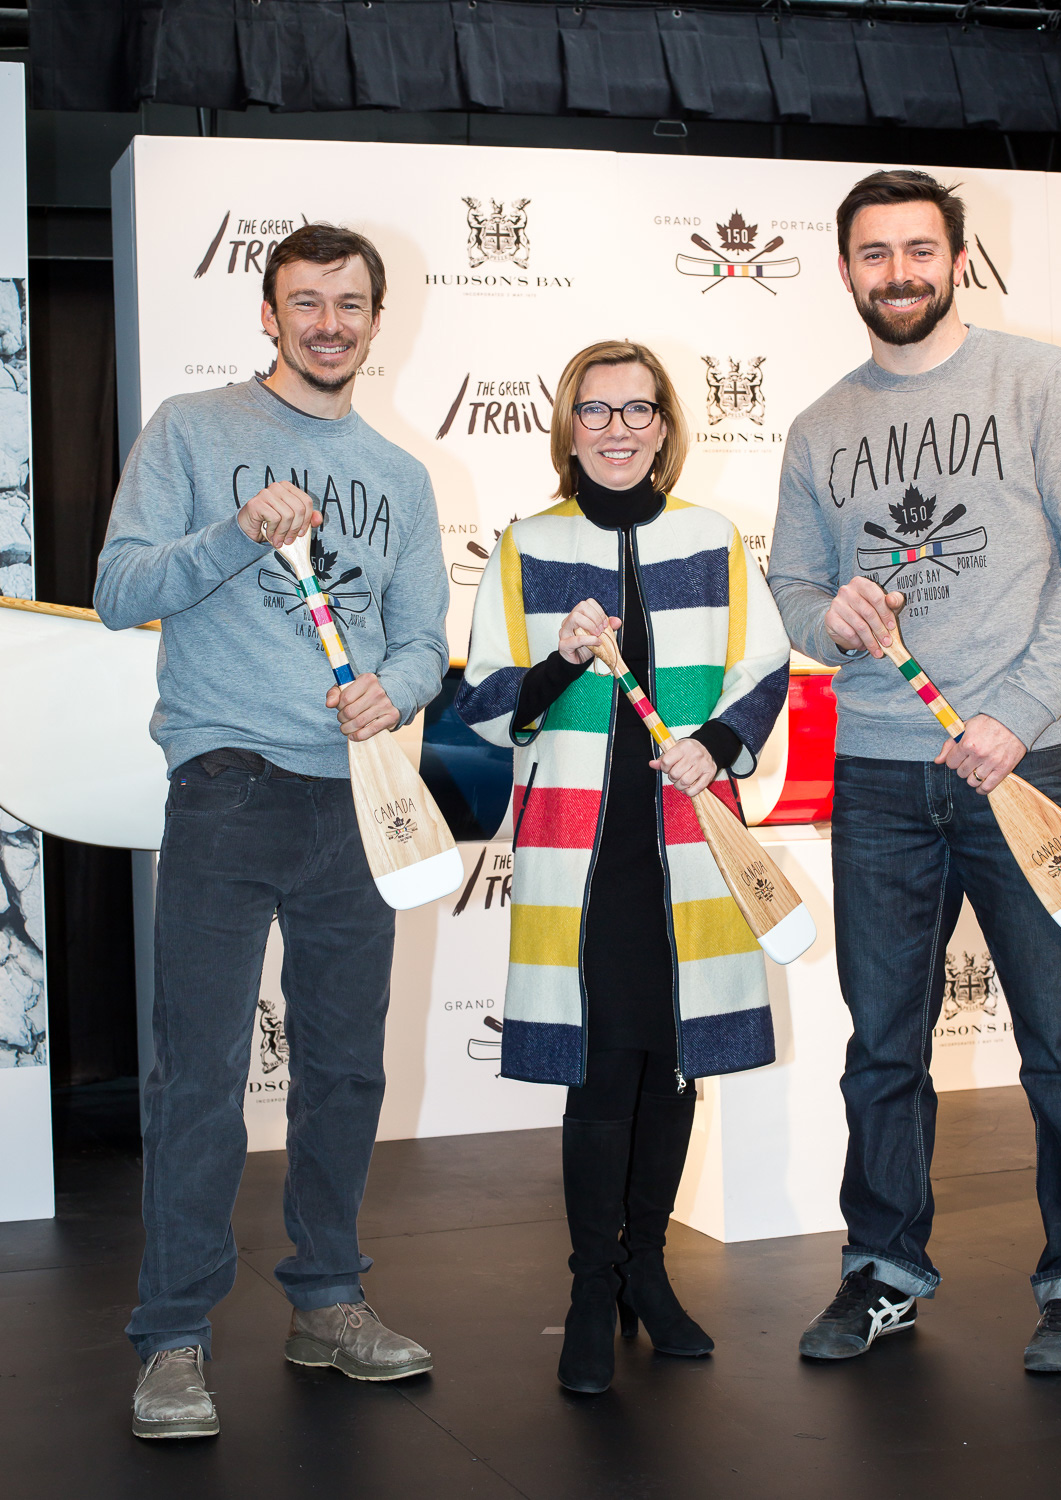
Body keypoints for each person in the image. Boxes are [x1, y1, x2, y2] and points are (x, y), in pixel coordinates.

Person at [768, 170, 1061, 1374]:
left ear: (959, 260)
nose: (899, 273)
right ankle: (882, 1269)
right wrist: (831, 619)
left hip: (1022, 769)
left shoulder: (1038, 381)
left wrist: (1016, 717)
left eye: (919, 250)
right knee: (883, 1047)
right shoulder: (819, 426)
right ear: (846, 270)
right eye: (875, 254)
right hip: (879, 775)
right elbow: (795, 589)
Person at [95, 223, 450, 1438]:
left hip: (357, 796)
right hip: (227, 783)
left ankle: (328, 1300)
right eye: (307, 302)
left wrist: (394, 691)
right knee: (201, 1073)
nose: (329, 324)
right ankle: (173, 1339)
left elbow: (423, 637)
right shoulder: (193, 432)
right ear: (268, 313)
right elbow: (118, 591)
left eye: (350, 303)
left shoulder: (400, 476)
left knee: (345, 1068)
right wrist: (234, 533)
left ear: (376, 320)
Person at [456, 340, 790, 1393]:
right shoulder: (528, 544)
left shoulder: (711, 537)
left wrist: (718, 745)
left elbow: (764, 667)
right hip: (581, 853)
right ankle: (589, 1291)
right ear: (569, 426)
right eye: (595, 411)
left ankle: (648, 1269)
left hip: (688, 842)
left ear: (664, 425)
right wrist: (559, 658)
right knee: (602, 1073)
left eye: (636, 410)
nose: (616, 429)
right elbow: (485, 703)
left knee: (672, 1065)